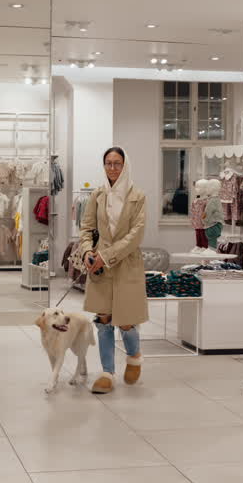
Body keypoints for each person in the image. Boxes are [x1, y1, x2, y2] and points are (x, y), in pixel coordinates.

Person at [78, 147, 148, 394]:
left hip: (126, 264)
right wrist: (87, 252)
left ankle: (134, 356)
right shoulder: (97, 194)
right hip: (99, 267)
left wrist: (106, 256)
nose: (112, 168)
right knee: (104, 320)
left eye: (117, 164)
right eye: (108, 163)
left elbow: (135, 235)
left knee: (127, 321)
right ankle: (107, 372)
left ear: (125, 165)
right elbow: (86, 228)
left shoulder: (137, 196)